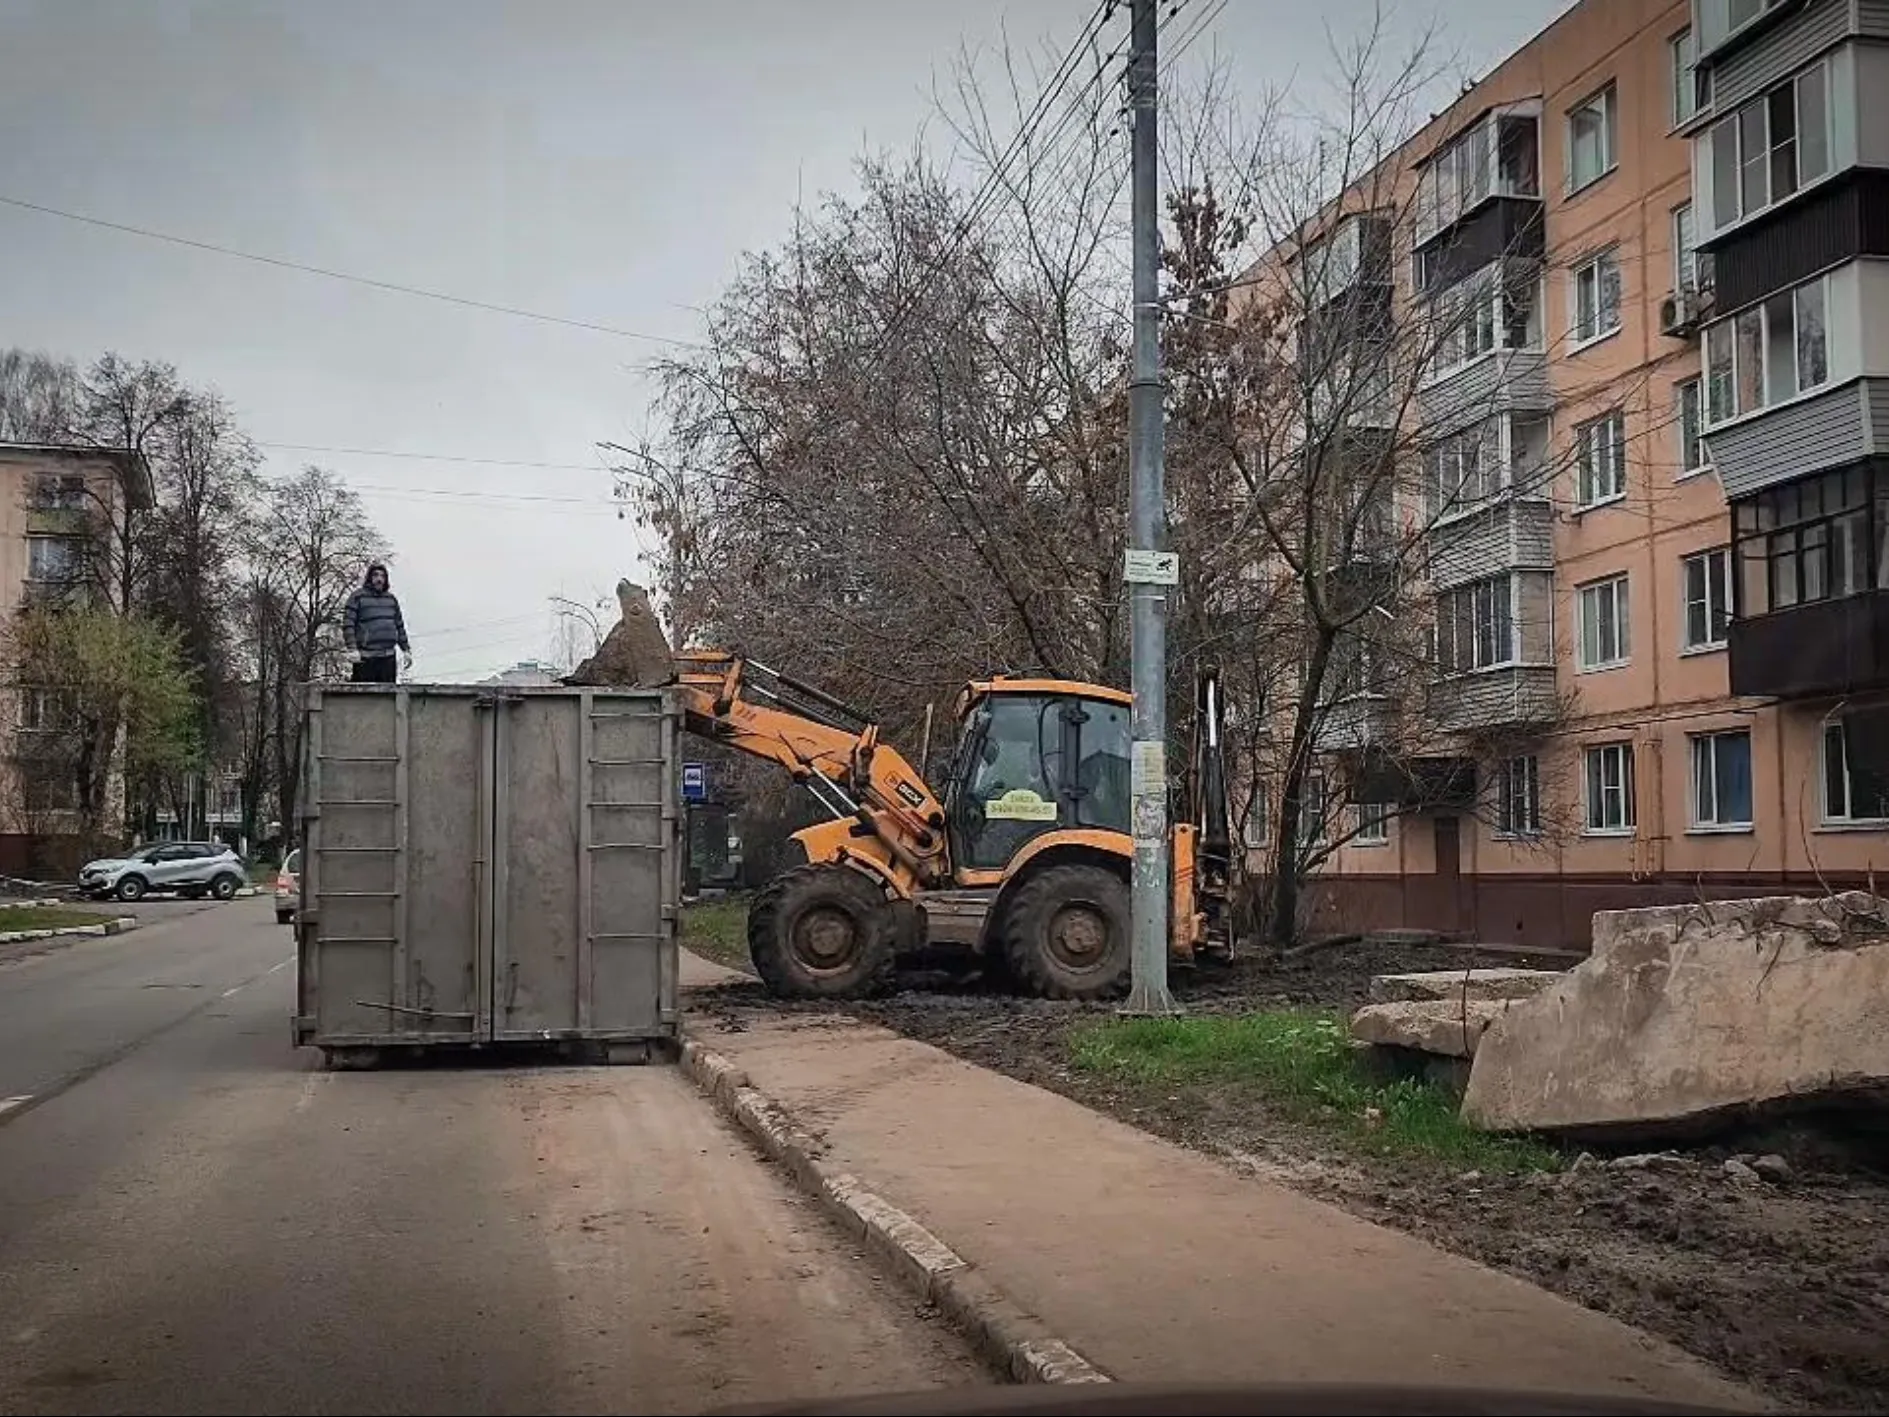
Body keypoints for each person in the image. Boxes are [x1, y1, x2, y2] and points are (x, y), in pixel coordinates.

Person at [342, 562, 412, 684]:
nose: (379, 579)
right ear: (369, 578)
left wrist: (406, 649)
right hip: (365, 658)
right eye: (375, 575)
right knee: (364, 698)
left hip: (387, 658)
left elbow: (399, 626)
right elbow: (348, 624)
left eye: (382, 576)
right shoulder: (357, 597)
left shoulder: (391, 600)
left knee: (388, 698)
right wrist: (352, 648)